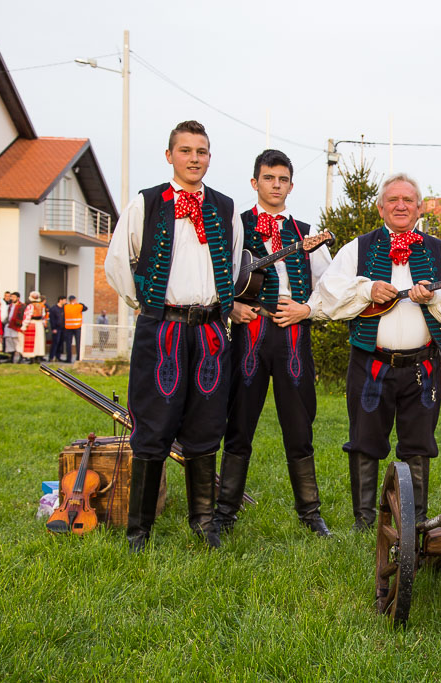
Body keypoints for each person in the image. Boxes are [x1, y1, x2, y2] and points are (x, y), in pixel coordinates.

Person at [105, 119, 243, 551]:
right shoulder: (146, 203)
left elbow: (233, 264)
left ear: (209, 157)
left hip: (210, 330)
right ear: (170, 156)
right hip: (161, 327)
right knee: (153, 423)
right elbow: (118, 261)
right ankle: (139, 530)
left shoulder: (225, 207)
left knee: (207, 421)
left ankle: (203, 523)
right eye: (186, 151)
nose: (194, 159)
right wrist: (146, 303)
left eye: (201, 152)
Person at [319, 172, 441, 528]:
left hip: (422, 366)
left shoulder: (438, 251)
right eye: (393, 200)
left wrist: (433, 299)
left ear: (419, 207)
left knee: (419, 443)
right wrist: (366, 290)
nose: (400, 206)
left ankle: (415, 521)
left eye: (407, 200)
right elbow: (328, 294)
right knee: (364, 440)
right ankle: (364, 521)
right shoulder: (358, 248)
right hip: (370, 363)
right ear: (380, 208)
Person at [214, 149, 333, 538]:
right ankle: (225, 513)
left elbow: (330, 286)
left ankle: (310, 513)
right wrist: (230, 307)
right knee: (240, 423)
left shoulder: (306, 232)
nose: (276, 185)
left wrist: (307, 309)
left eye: (283, 179)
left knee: (299, 426)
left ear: (291, 186)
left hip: (293, 335)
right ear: (255, 182)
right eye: (268, 178)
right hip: (251, 332)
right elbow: (216, 273)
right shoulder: (235, 226)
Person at [20, 292, 48, 362]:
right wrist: (44, 324)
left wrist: (24, 326)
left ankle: (32, 357)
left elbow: (27, 316)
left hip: (32, 323)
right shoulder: (41, 306)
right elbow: (43, 316)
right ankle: (38, 357)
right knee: (39, 341)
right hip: (40, 324)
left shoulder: (30, 306)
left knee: (32, 342)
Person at [63, 295, 87, 362]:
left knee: (68, 344)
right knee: (78, 343)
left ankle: (68, 359)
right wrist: (80, 303)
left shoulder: (66, 306)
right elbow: (85, 308)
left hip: (68, 327)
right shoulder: (79, 306)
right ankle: (78, 357)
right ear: (74, 300)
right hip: (77, 327)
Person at [3, 292, 25, 363]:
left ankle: (21, 358)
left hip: (16, 326)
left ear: (18, 298)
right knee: (9, 341)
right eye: (11, 297)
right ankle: (10, 358)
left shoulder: (22, 306)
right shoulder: (10, 306)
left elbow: (22, 316)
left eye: (14, 297)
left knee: (18, 342)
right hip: (9, 325)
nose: (12, 298)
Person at [47, 297, 65, 362]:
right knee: (55, 342)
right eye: (64, 300)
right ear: (60, 300)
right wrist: (53, 328)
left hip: (63, 328)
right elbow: (52, 319)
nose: (65, 302)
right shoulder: (54, 309)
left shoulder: (64, 308)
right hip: (56, 328)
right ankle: (51, 357)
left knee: (60, 343)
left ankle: (58, 357)